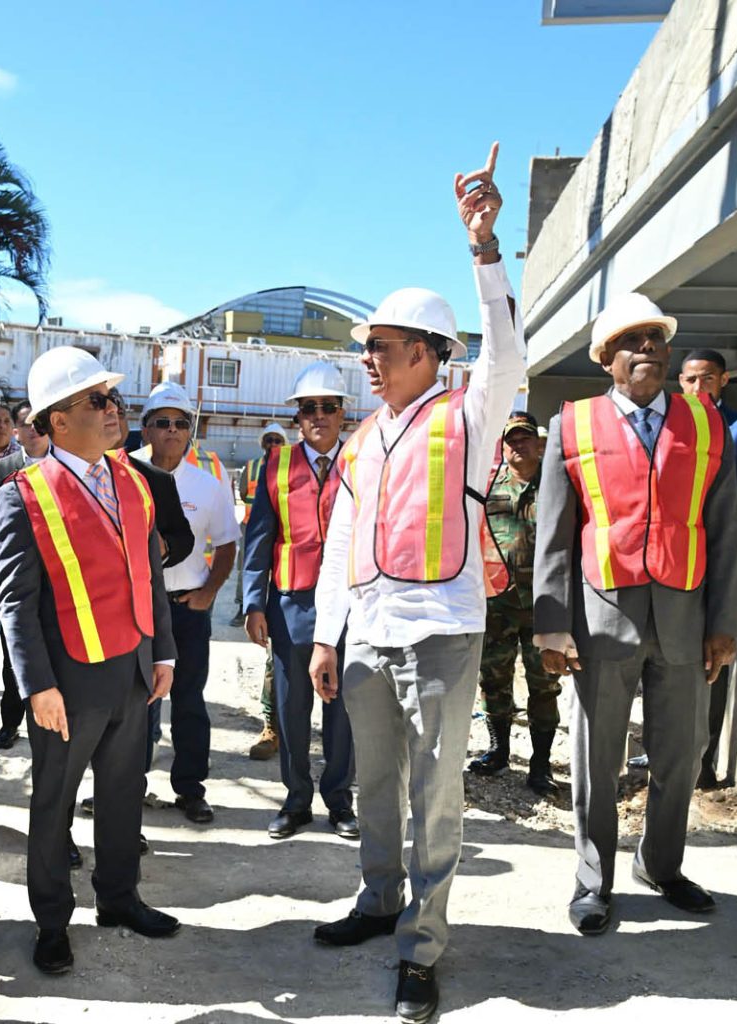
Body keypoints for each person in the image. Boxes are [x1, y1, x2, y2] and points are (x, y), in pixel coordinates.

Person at [309, 143, 524, 1024]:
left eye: (384, 347)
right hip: (368, 634)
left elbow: (507, 352)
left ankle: (422, 948)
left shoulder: (469, 415)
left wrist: (483, 249)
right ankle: (376, 899)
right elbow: (341, 540)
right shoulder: (362, 440)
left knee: (436, 795)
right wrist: (328, 634)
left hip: (440, 630)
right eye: (367, 348)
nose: (369, 359)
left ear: (432, 352)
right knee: (374, 785)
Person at [532, 292, 737, 937]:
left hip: (684, 617)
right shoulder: (573, 424)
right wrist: (550, 621)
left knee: (681, 752)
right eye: (630, 340)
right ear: (605, 359)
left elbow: (726, 528)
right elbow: (555, 531)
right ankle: (594, 881)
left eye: (655, 337)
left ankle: (662, 865)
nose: (646, 347)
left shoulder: (707, 425)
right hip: (602, 618)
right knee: (597, 758)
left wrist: (723, 625)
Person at [0, 346, 180, 975]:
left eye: (113, 399)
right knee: (54, 802)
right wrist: (36, 686)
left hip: (131, 666)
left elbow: (149, 573)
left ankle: (119, 898)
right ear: (56, 419)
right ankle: (51, 920)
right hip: (67, 681)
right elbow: (15, 602)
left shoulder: (133, 480)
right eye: (96, 400)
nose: (113, 410)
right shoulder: (24, 494)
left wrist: (164, 653)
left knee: (126, 792)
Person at [242, 364, 356, 840]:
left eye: (328, 407)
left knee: (343, 709)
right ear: (297, 418)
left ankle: (339, 801)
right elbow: (259, 536)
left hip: (350, 604)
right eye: (309, 408)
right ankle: (296, 800)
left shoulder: (363, 460)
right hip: (291, 603)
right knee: (291, 709)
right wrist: (254, 601)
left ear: (342, 413)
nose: (318, 415)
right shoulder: (276, 465)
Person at [138, 381, 239, 824]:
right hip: (138, 610)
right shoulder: (125, 475)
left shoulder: (208, 485)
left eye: (182, 423)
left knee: (189, 701)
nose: (173, 431)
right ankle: (126, 786)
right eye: (163, 423)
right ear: (146, 429)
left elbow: (229, 543)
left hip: (187, 610)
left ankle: (190, 788)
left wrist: (209, 593)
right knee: (135, 703)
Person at [679, 348, 737, 788]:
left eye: (708, 379)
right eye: (691, 380)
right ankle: (664, 756)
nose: (699, 388)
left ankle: (702, 764)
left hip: (717, 565)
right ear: (679, 382)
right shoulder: (668, 425)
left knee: (712, 662)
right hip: (671, 562)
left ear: (724, 380)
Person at [469, 411, 564, 796]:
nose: (517, 445)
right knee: (494, 680)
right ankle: (499, 751)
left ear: (538, 444)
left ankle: (540, 766)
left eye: (524, 438)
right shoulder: (488, 486)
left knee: (544, 685)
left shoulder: (557, 486)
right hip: (498, 606)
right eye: (510, 439)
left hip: (544, 605)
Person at [0, 403, 47, 750]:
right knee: (14, 662)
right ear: (16, 431)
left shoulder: (65, 468)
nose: (33, 430)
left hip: (56, 584)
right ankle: (10, 724)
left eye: (38, 423)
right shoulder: (1, 472)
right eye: (25, 424)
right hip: (15, 582)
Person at [235, 423, 288, 761]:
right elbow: (243, 494)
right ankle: (272, 726)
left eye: (276, 439)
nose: (271, 444)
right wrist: (253, 603)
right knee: (277, 662)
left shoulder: (297, 466)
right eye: (267, 439)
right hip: (262, 543)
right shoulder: (255, 468)